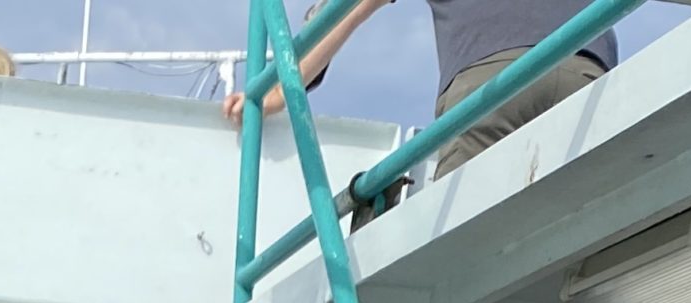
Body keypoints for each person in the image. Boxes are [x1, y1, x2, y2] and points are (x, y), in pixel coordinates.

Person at [223, 0, 615, 175]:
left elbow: (343, 12)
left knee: (463, 245)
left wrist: (275, 93)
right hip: (586, 70)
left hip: (489, 88)